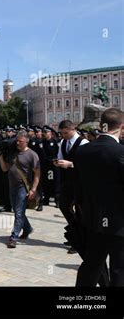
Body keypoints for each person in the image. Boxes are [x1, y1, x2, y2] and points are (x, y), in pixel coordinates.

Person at [74, 108, 124, 286]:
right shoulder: (120, 152)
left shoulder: (83, 151)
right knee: (119, 269)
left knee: (92, 265)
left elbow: (77, 186)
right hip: (119, 222)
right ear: (121, 126)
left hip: (93, 218)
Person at [0, 131, 40, 248]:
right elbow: (4, 169)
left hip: (23, 187)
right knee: (18, 211)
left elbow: (37, 173)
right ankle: (27, 229)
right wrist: (0, 157)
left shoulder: (32, 155)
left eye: (20, 141)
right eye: (17, 140)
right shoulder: (13, 153)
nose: (17, 142)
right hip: (12, 186)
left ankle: (14, 236)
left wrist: (33, 189)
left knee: (18, 212)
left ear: (26, 141)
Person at [54, 120, 89, 253]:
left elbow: (87, 165)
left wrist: (71, 164)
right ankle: (74, 232)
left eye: (65, 133)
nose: (63, 135)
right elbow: (60, 156)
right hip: (67, 181)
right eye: (61, 133)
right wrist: (58, 163)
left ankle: (80, 240)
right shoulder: (63, 142)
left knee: (80, 211)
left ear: (72, 129)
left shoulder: (84, 143)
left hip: (80, 182)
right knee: (64, 206)